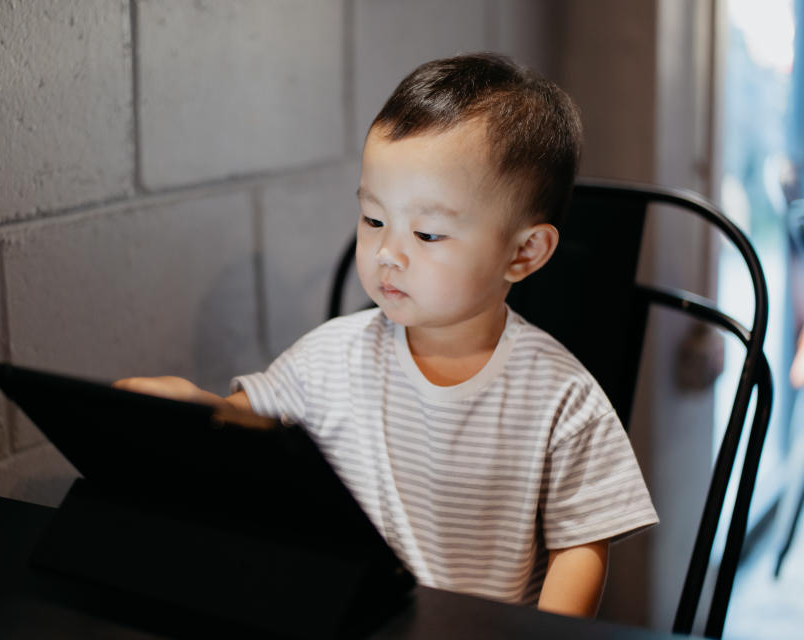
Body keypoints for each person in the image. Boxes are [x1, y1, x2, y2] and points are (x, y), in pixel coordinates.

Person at [114, 52, 658, 618]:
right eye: (374, 220)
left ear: (523, 253)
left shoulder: (563, 401)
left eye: (427, 233)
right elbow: (247, 428)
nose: (387, 253)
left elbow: (581, 551)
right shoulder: (332, 356)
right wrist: (189, 408)